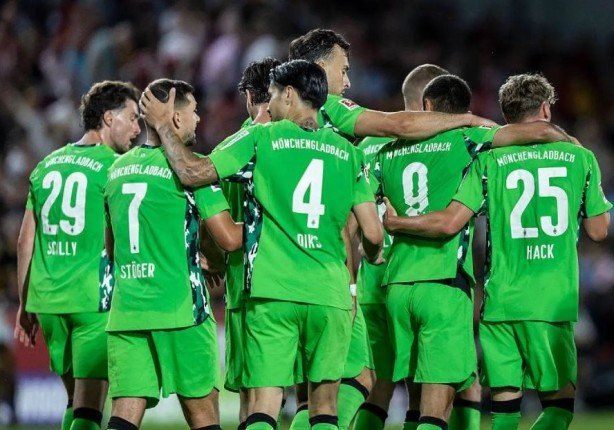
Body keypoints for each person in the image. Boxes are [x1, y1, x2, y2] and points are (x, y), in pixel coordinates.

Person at [140, 60, 384, 430]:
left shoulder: (260, 139)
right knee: (324, 407)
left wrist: (162, 127)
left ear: (290, 94)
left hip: (273, 291)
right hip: (329, 292)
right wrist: (373, 253)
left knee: (262, 404)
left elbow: (193, 172)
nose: (268, 104)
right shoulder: (348, 153)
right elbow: (374, 234)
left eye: (273, 95)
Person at [382, 73, 612, 430]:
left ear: (506, 115)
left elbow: (450, 221)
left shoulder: (488, 161)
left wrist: (397, 223)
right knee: (559, 408)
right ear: (546, 109)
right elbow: (598, 231)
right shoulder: (579, 157)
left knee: (504, 415)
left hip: (500, 301)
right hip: (551, 300)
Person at [103, 79, 242, 430]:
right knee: (203, 417)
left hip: (128, 311)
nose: (198, 119)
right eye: (194, 111)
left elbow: (112, 247)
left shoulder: (116, 170)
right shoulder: (192, 170)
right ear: (176, 118)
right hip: (181, 308)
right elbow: (227, 238)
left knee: (123, 416)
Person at [14, 81, 141, 430]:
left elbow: (25, 241)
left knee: (75, 401)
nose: (137, 129)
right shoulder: (116, 167)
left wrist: (25, 303)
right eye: (132, 118)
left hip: (48, 302)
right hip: (92, 299)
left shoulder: (46, 165)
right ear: (108, 118)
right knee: (89, 410)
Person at [351, 63, 449, 430]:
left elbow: (350, 221)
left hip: (371, 281)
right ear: (430, 103)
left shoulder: (367, 146)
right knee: (430, 387)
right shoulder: (443, 142)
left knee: (377, 383)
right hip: (420, 275)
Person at [220, 57, 281, 430]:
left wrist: (213, 257)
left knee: (251, 393)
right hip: (296, 277)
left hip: (243, 279)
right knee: (298, 393)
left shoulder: (233, 146)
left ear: (247, 95)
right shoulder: (300, 139)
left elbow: (221, 220)